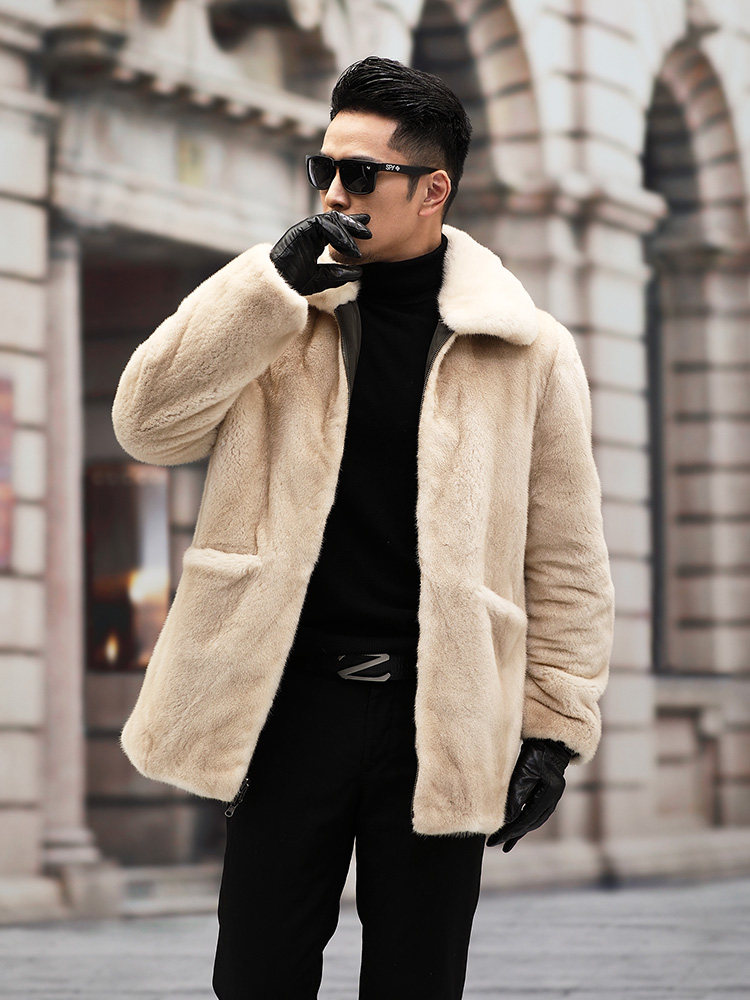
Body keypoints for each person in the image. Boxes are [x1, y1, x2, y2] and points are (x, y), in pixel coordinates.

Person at [112, 55, 615, 1000]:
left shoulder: (529, 348)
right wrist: (265, 284)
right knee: (254, 977)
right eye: (323, 169)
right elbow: (146, 425)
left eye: (360, 173)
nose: (334, 193)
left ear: (433, 190)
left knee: (418, 982)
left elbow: (568, 557)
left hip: (443, 710)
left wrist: (552, 731)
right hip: (288, 702)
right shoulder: (280, 311)